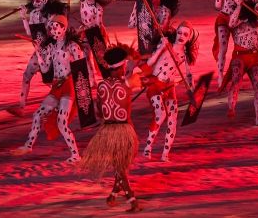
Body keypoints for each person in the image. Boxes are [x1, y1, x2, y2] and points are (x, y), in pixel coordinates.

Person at [11, 15, 85, 162]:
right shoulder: (51, 47)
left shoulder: (72, 46)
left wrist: (82, 91)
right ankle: (28, 145)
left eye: (56, 26)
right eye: (51, 27)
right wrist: (39, 53)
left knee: (61, 122)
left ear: (64, 28)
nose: (53, 30)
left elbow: (81, 68)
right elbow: (45, 69)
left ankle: (75, 155)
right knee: (37, 115)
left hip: (68, 86)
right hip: (56, 86)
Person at [81, 45, 142, 213]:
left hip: (108, 131)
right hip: (125, 131)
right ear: (121, 66)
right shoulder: (129, 82)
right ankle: (131, 199)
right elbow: (145, 71)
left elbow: (99, 112)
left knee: (119, 166)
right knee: (120, 167)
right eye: (124, 66)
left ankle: (121, 197)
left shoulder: (101, 86)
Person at [141, 21, 197, 162]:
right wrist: (161, 48)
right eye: (179, 32)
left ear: (189, 37)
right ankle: (147, 149)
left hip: (169, 87)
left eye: (185, 34)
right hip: (155, 84)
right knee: (161, 114)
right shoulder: (166, 45)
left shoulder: (184, 56)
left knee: (172, 118)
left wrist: (191, 87)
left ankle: (165, 154)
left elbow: (188, 74)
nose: (181, 36)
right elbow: (149, 64)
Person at [8, 0, 67, 116]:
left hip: (50, 52)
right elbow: (30, 32)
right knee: (26, 76)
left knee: (50, 81)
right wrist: (24, 17)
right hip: (38, 51)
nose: (35, 2)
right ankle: (22, 107)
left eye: (38, 0)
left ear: (45, 1)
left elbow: (54, 33)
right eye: (33, 0)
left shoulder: (51, 15)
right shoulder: (33, 14)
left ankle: (62, 104)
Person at [220, 0, 258, 125]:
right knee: (236, 82)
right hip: (239, 57)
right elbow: (230, 24)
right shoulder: (243, 19)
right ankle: (231, 108)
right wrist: (240, 6)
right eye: (257, 8)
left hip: (255, 59)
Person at [213, 0, 258, 86]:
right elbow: (217, 6)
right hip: (224, 19)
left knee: (240, 48)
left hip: (238, 22)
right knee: (223, 48)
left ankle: (239, 71)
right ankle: (220, 75)